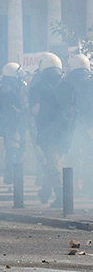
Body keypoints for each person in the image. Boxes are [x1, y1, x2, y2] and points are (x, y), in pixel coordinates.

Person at [29, 53, 73, 206]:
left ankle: (62, 197)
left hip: (48, 130)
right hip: (66, 129)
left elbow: (35, 110)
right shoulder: (66, 83)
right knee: (54, 160)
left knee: (52, 162)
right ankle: (46, 192)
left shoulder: (38, 86)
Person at [61, 54, 93, 194]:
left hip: (71, 126)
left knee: (72, 157)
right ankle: (88, 188)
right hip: (89, 125)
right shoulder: (90, 81)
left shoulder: (66, 82)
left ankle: (71, 189)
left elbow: (62, 104)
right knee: (89, 157)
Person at [0, 62, 28, 185]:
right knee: (13, 149)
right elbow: (10, 108)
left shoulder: (14, 86)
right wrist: (22, 114)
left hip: (18, 123)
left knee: (20, 149)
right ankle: (11, 176)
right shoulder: (7, 88)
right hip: (11, 124)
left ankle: (16, 175)